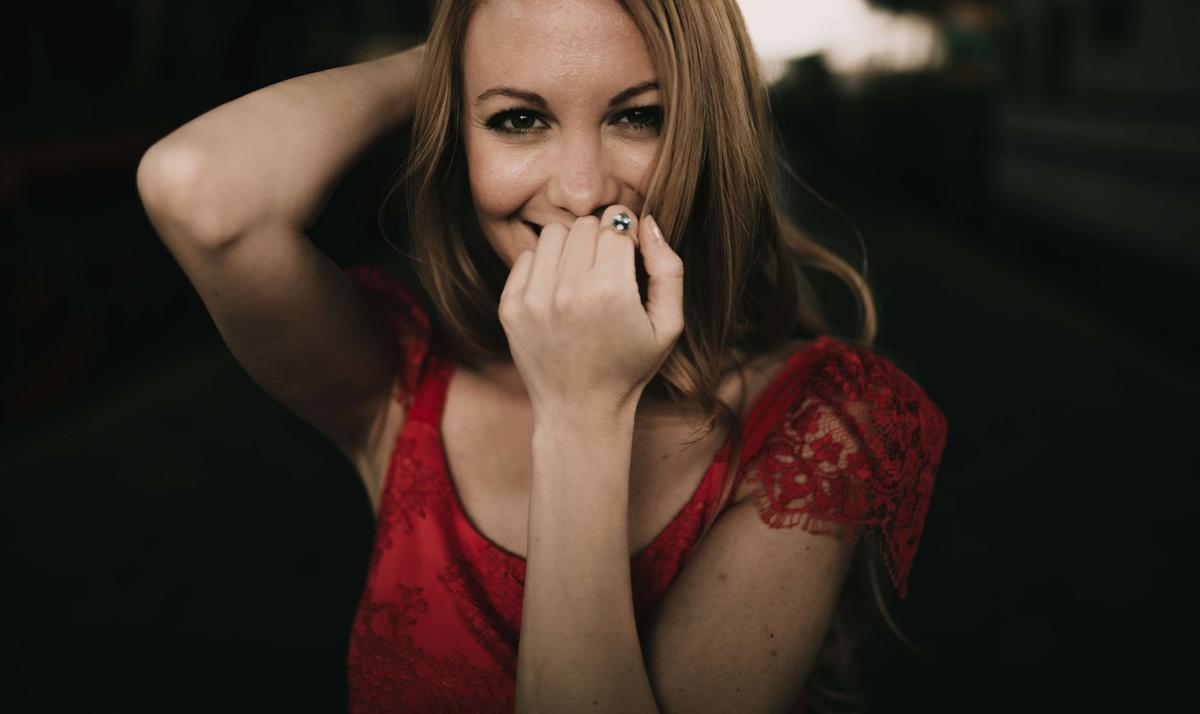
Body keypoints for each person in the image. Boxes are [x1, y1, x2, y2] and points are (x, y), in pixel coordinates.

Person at [136, 0, 948, 711]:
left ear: (710, 133)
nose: (582, 190)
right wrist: (456, 51)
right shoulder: (400, 382)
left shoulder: (827, 420)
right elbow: (196, 188)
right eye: (518, 120)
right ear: (457, 138)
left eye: (640, 116)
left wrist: (582, 413)